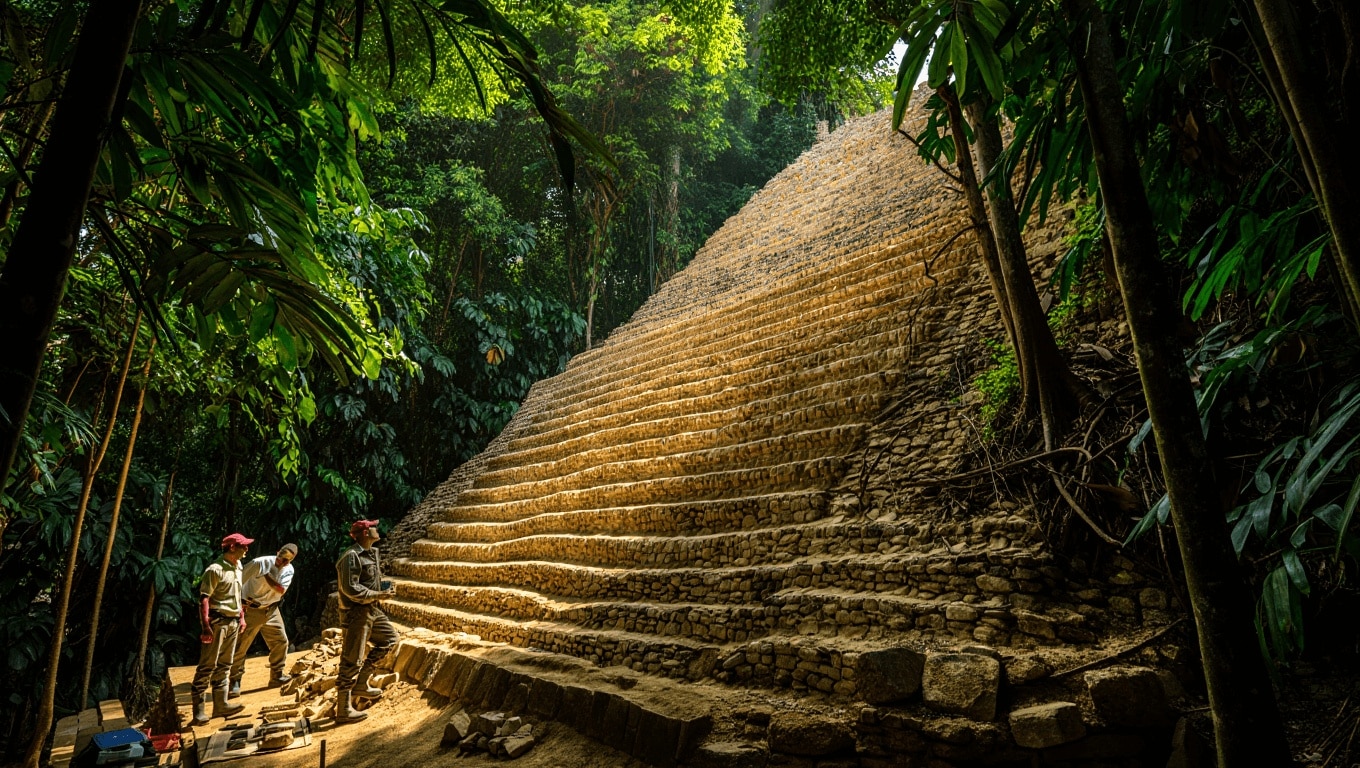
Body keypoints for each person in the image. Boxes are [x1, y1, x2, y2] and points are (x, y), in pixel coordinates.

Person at [334, 519, 397, 724]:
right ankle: (343, 708)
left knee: (390, 639)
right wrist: (378, 594)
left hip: (371, 609)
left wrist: (383, 589)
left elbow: (369, 581)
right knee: (352, 657)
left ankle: (362, 683)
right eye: (373, 527)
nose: (377, 529)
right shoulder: (351, 557)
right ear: (364, 533)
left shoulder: (371, 553)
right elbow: (351, 589)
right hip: (356, 613)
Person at [190, 533, 251, 725]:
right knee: (207, 665)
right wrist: (206, 626)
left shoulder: (238, 567)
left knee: (226, 664)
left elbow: (237, 595)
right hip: (218, 621)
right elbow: (204, 599)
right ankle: (198, 711)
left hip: (233, 620)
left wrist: (241, 617)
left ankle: (221, 704)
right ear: (232, 547)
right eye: (243, 546)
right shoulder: (215, 570)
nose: (246, 550)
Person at [228, 543, 298, 697]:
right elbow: (237, 582)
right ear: (277, 552)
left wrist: (267, 577)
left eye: (286, 561)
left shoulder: (289, 570)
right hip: (250, 608)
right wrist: (238, 607)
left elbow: (280, 590)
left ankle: (277, 675)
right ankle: (234, 681)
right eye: (281, 557)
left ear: (291, 561)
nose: (282, 562)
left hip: (271, 609)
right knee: (241, 646)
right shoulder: (260, 563)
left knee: (281, 641)